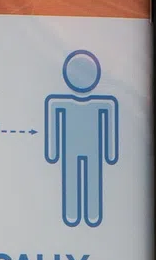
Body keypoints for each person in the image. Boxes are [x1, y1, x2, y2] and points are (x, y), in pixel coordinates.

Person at [44, 48, 119, 228]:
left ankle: (92, 214)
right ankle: (72, 214)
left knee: (93, 180)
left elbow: (108, 128)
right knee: (71, 180)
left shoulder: (103, 104)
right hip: (71, 150)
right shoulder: (60, 103)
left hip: (93, 150)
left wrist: (110, 154)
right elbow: (54, 127)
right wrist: (53, 153)